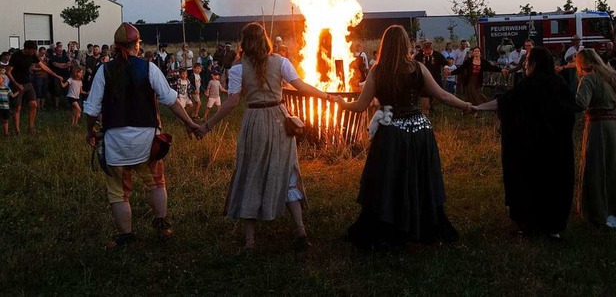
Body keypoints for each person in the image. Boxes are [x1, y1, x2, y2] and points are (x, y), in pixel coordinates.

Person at [195, 22, 332, 251]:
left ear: (244, 42)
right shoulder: (281, 61)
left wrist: (207, 126)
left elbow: (231, 102)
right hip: (279, 119)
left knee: (251, 172)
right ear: (265, 40)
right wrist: (326, 96)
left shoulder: (238, 68)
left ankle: (250, 240)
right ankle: (300, 230)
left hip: (255, 120)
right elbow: (301, 86)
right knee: (287, 170)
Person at [335, 25, 472, 249]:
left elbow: (361, 106)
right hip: (419, 133)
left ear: (384, 45)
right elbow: (443, 95)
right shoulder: (417, 68)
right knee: (418, 179)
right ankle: (420, 227)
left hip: (391, 133)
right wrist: (466, 106)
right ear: (406, 45)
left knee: (389, 179)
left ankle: (390, 226)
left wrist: (342, 104)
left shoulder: (377, 72)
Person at [84, 23, 199, 248]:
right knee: (156, 183)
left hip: (115, 142)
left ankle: (126, 236)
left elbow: (90, 110)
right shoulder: (149, 68)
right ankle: (163, 227)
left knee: (118, 193)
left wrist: (90, 131)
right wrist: (191, 123)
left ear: (116, 46)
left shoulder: (104, 70)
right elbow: (171, 101)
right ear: (137, 45)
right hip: (148, 141)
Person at [474, 47, 577, 240]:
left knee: (529, 184)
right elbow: (572, 109)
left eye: (527, 59)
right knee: (555, 184)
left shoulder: (528, 85)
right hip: (557, 150)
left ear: (535, 63)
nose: (524, 63)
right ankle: (553, 227)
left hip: (530, 149)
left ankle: (528, 225)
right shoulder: (559, 83)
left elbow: (504, 102)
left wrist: (476, 108)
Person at [574, 48, 616, 228]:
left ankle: (600, 213)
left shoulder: (589, 79)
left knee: (599, 168)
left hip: (599, 127)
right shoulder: (615, 76)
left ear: (581, 64)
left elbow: (580, 104)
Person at [6, 40, 63, 134]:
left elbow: (43, 66)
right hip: (17, 84)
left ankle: (31, 128)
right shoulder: (16, 56)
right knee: (18, 107)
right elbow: (8, 72)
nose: (33, 52)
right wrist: (16, 84)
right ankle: (17, 130)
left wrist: (54, 74)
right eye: (31, 50)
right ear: (26, 49)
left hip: (28, 83)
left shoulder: (32, 55)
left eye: (34, 51)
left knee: (34, 105)